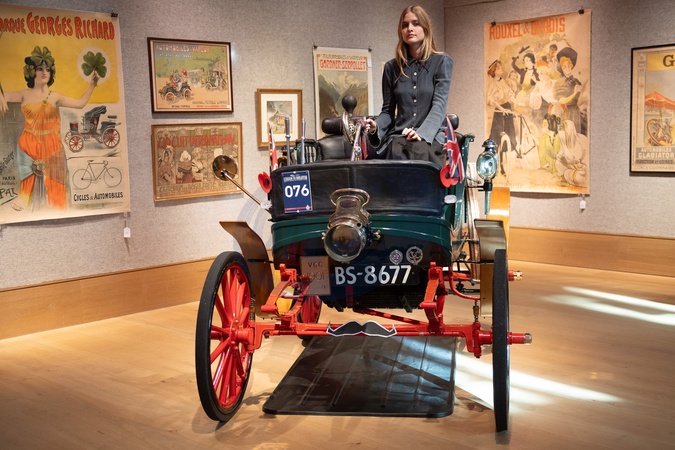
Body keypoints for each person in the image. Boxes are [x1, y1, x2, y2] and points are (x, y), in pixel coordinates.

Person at [0, 46, 99, 209]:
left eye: (47, 69)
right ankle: (23, 197)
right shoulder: (24, 94)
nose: (44, 72)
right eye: (40, 68)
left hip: (51, 145)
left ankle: (57, 205)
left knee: (57, 186)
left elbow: (80, 104)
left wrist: (92, 86)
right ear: (32, 71)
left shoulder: (55, 96)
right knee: (26, 177)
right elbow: (3, 94)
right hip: (28, 145)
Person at [365, 5, 453, 166]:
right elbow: (387, 111)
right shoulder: (391, 68)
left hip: (431, 137)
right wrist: (376, 125)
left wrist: (422, 134)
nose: (410, 29)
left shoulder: (442, 62)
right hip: (399, 137)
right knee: (392, 154)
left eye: (415, 23)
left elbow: (439, 106)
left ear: (425, 28)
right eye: (405, 25)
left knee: (419, 150)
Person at [485, 59, 518, 173]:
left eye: (500, 67)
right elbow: (490, 100)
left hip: (507, 108)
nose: (501, 69)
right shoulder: (492, 84)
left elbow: (509, 93)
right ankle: (496, 164)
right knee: (497, 138)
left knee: (509, 134)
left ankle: (504, 165)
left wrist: (515, 101)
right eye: (498, 68)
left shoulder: (503, 81)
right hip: (499, 112)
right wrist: (501, 108)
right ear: (494, 71)